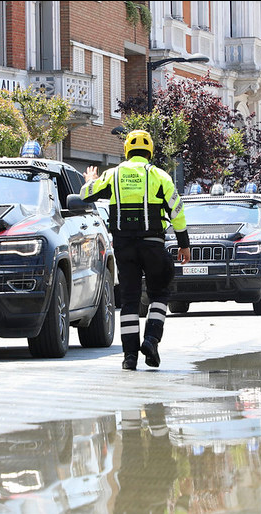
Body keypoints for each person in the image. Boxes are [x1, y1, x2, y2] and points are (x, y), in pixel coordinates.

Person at [80, 129, 191, 370]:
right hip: (153, 245)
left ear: (127, 150)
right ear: (150, 150)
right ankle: (151, 340)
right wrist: (184, 244)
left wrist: (89, 181)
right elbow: (177, 212)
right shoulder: (159, 175)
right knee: (159, 294)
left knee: (129, 301)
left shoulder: (113, 174)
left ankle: (130, 357)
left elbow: (85, 195)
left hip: (124, 248)